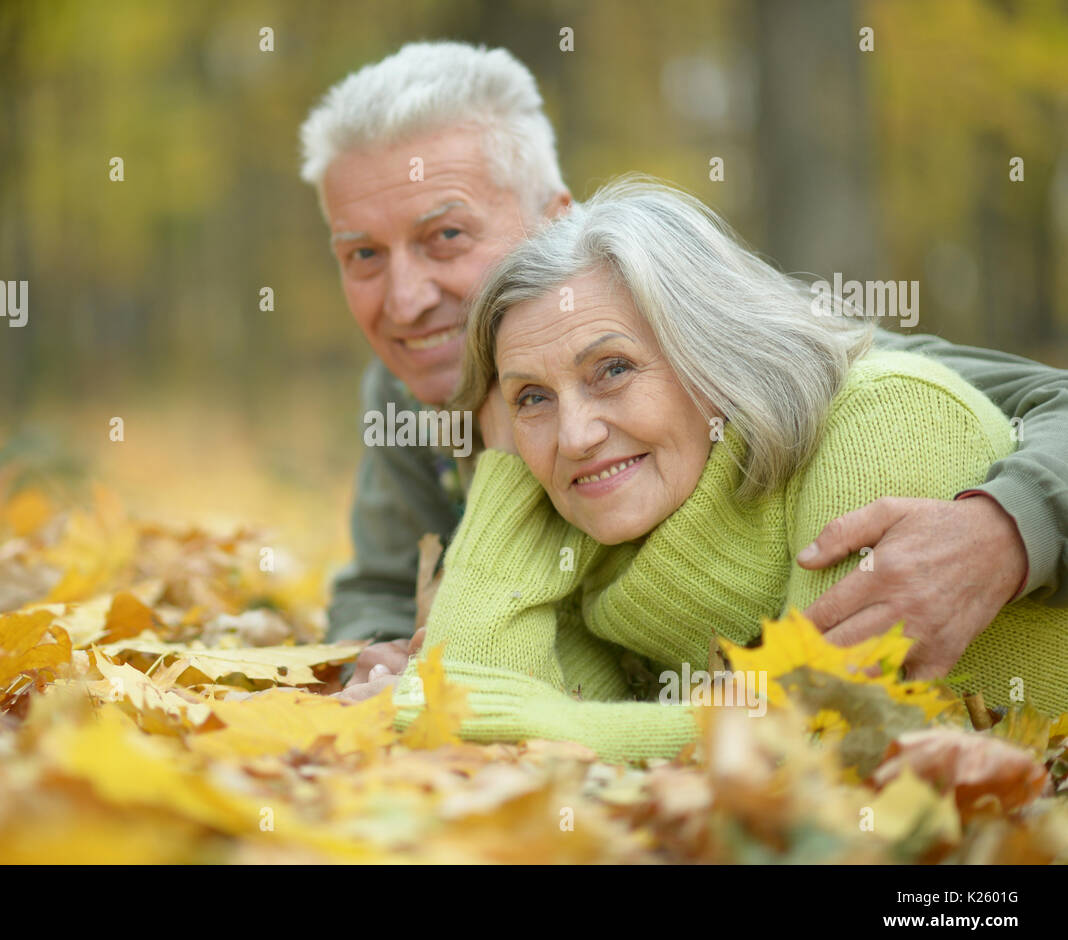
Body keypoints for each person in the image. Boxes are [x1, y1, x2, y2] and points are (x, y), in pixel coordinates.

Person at [297, 42, 1068, 697]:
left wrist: (1004, 529)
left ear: (556, 221)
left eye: (447, 235)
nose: (404, 301)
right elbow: (383, 580)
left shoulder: (733, 341)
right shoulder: (408, 389)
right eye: (363, 253)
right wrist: (381, 652)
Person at [388, 177, 1068, 761]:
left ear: (710, 355)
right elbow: (465, 728)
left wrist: (556, 724)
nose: (575, 434)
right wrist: (510, 470)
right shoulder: (596, 543)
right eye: (531, 396)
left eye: (614, 369)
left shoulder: (887, 416)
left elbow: (833, 737)